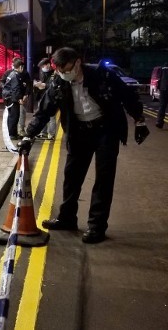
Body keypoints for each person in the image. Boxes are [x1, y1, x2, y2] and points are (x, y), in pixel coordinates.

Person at [19, 47, 149, 244]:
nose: (63, 74)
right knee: (71, 176)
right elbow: (44, 111)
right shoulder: (58, 82)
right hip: (79, 131)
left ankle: (97, 226)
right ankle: (67, 218)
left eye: (66, 69)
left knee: (104, 179)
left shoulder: (102, 75)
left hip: (106, 129)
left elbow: (127, 96)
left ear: (77, 62)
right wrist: (28, 136)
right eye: (59, 70)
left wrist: (139, 120)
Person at [1, 58, 27, 140]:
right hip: (12, 98)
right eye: (22, 67)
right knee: (14, 116)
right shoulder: (15, 76)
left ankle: (12, 133)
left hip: (8, 97)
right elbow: (16, 89)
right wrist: (20, 99)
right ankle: (12, 134)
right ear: (20, 67)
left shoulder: (12, 74)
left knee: (11, 116)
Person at [33, 58, 57, 139]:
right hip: (42, 97)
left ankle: (51, 134)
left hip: (51, 98)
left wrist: (45, 85)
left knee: (51, 116)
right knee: (42, 115)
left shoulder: (55, 73)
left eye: (44, 66)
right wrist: (36, 84)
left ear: (48, 64)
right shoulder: (41, 72)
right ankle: (43, 132)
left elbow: (55, 85)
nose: (43, 68)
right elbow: (37, 80)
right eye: (42, 67)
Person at [155, 63, 168, 128]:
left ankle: (159, 122)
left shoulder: (163, 67)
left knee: (162, 106)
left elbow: (159, 78)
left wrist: (158, 87)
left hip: (163, 88)